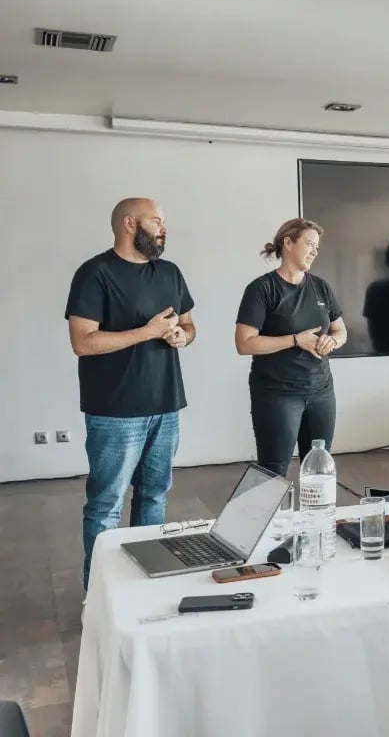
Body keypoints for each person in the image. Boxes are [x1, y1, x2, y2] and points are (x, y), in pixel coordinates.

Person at [66, 197, 196, 589]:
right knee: (106, 505)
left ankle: (145, 585)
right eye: (156, 220)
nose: (163, 228)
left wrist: (179, 337)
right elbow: (83, 342)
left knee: (154, 497)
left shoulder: (170, 272)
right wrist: (148, 331)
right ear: (129, 223)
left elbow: (190, 326)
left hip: (166, 404)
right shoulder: (94, 273)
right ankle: (99, 596)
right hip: (115, 411)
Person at [235, 218, 347, 477]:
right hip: (277, 395)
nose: (314, 252)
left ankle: (315, 519)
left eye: (317, 247)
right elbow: (244, 343)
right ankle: (270, 519)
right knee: (272, 472)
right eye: (309, 244)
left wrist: (333, 340)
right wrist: (295, 340)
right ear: (287, 243)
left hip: (321, 392)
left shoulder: (321, 287)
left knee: (319, 468)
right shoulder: (262, 289)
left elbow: (341, 330)